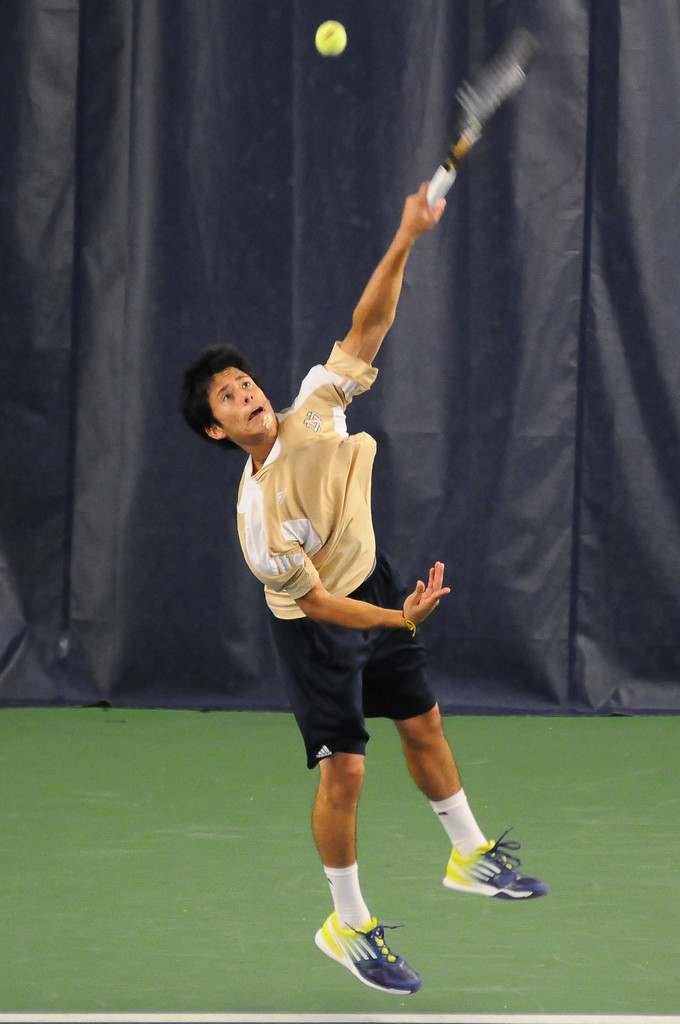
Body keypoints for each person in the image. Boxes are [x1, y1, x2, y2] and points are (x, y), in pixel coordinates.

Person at [180, 183, 547, 996]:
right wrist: (396, 616)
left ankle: (469, 856)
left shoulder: (315, 407)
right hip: (318, 627)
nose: (247, 396)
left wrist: (408, 233)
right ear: (217, 430)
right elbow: (314, 606)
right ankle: (345, 921)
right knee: (345, 771)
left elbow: (368, 323)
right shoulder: (257, 523)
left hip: (373, 587)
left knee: (424, 720)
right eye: (228, 399)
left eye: (245, 383)